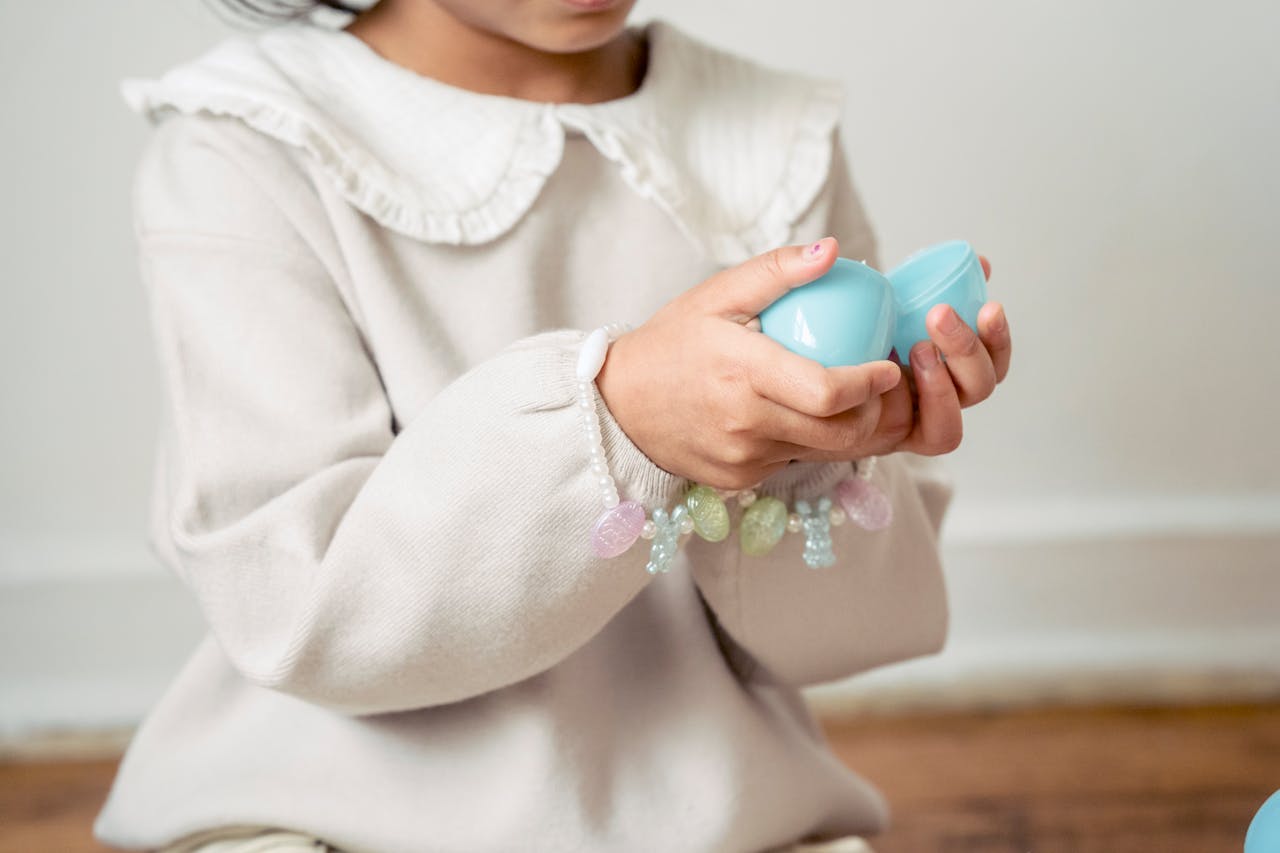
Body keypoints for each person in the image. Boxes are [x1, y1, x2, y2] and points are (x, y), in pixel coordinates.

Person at [95, 0, 1013, 851]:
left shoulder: (764, 140)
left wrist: (812, 454)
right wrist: (620, 425)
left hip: (711, 821)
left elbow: (838, 634)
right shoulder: (254, 147)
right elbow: (301, 611)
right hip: (328, 816)